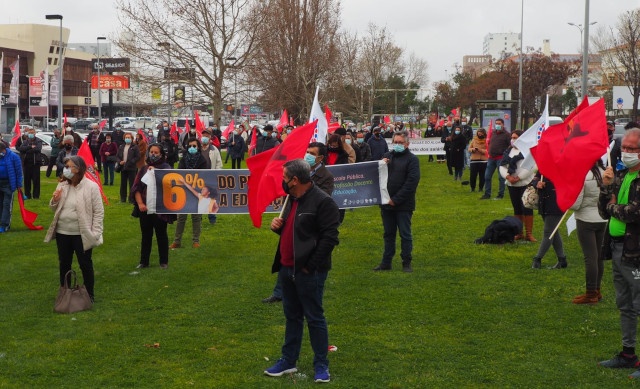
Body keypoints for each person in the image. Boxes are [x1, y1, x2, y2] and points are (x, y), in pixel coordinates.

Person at [263, 159, 340, 383]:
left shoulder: (323, 202)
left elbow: (329, 239)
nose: (283, 182)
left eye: (285, 178)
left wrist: (309, 266)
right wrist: (278, 227)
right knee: (292, 316)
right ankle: (288, 360)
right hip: (287, 269)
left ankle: (321, 365)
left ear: (295, 180)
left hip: (309, 272)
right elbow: (296, 234)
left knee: (314, 317)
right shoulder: (291, 199)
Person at [262, 142, 334, 304]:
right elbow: (291, 202)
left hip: (308, 231)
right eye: (307, 151)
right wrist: (280, 225)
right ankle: (279, 292)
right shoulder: (296, 175)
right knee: (285, 259)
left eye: (312, 153)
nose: (307, 154)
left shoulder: (326, 177)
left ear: (320, 157)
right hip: (291, 227)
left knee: (312, 308)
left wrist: (304, 186)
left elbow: (323, 200)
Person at [597, 128, 640, 377]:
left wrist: (613, 205)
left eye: (633, 148)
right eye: (624, 147)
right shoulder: (622, 175)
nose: (627, 152)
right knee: (625, 305)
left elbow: (634, 212)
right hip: (616, 247)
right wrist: (606, 187)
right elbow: (605, 211)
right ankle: (628, 354)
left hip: (635, 251)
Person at [44, 156, 104, 302]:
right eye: (66, 166)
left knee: (85, 263)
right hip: (63, 232)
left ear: (78, 169)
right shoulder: (63, 185)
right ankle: (65, 293)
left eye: (69, 166)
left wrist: (95, 232)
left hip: (81, 233)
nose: (66, 169)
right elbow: (53, 207)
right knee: (64, 263)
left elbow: (99, 212)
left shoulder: (91, 186)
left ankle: (89, 294)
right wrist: (55, 200)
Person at [373, 131, 421, 273]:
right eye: (396, 142)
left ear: (407, 144)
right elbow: (377, 177)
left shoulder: (412, 160)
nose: (398, 145)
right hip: (386, 203)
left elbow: (412, 182)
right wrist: (382, 165)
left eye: (401, 143)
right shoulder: (387, 157)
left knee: (405, 234)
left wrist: (396, 199)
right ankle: (386, 262)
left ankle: (406, 262)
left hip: (403, 205)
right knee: (388, 234)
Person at [131, 144, 176, 269]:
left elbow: (170, 185)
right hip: (145, 208)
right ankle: (144, 262)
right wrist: (140, 203)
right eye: (151, 152)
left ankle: (163, 261)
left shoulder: (166, 168)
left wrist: (155, 173)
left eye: (156, 152)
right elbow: (136, 188)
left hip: (160, 208)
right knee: (146, 235)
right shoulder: (143, 169)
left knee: (161, 235)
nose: (153, 154)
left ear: (161, 155)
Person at [569, 160, 607, 305]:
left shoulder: (583, 175)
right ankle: (596, 290)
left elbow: (576, 203)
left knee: (590, 257)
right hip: (602, 219)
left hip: (586, 220)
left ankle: (591, 293)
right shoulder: (605, 173)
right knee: (598, 256)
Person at [170, 138, 207, 249]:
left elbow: (205, 175)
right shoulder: (183, 160)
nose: (192, 148)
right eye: (190, 146)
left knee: (196, 217)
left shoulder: (202, 160)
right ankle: (177, 241)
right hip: (184, 192)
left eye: (194, 146)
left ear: (198, 147)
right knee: (181, 218)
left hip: (196, 193)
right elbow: (179, 174)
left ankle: (196, 241)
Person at [499, 130, 536, 241]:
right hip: (511, 184)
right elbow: (502, 166)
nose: (513, 139)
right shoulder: (508, 151)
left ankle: (529, 234)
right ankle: (519, 232)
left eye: (515, 137)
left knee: (527, 208)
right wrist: (508, 177)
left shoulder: (528, 152)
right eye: (512, 137)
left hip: (525, 183)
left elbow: (531, 167)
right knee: (517, 209)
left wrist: (519, 178)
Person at [530, 173, 566, 269]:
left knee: (549, 232)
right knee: (554, 231)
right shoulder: (544, 165)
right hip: (544, 203)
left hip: (557, 202)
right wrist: (537, 183)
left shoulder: (564, 165)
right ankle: (562, 260)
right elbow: (535, 178)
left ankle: (537, 259)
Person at [480, 118, 510, 200]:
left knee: (501, 178)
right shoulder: (492, 133)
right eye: (496, 123)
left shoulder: (507, 135)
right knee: (487, 176)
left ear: (503, 124)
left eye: (499, 123)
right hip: (491, 158)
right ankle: (487, 194)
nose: (497, 125)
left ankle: (500, 194)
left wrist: (505, 155)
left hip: (500, 158)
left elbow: (509, 146)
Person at [0, 143, 23, 232]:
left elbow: (18, 171)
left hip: (9, 184)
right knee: (0, 204)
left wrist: (19, 184)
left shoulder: (14, 157)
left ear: (3, 150)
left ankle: (4, 225)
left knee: (6, 205)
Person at [17, 128, 43, 200]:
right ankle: (27, 195)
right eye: (30, 133)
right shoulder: (25, 141)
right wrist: (30, 147)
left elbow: (38, 149)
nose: (31, 134)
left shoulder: (38, 141)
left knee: (36, 181)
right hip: (26, 163)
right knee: (27, 180)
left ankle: (36, 196)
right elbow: (21, 149)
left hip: (35, 164)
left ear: (35, 133)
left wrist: (27, 150)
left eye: (32, 132)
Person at [117, 132, 140, 203]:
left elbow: (138, 157)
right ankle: (123, 199)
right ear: (124, 139)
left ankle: (131, 199)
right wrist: (119, 161)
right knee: (123, 184)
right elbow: (117, 156)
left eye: (129, 138)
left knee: (132, 184)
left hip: (132, 168)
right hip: (123, 168)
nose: (127, 139)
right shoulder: (121, 146)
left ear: (132, 138)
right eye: (126, 138)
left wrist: (131, 162)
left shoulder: (135, 147)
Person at [468, 128, 488, 192]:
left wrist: (481, 150)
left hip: (483, 160)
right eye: (478, 133)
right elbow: (469, 148)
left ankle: (481, 188)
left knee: (482, 175)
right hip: (474, 160)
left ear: (484, 133)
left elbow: (488, 150)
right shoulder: (474, 140)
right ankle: (472, 188)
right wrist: (472, 150)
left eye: (481, 133)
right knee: (473, 175)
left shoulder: (487, 141)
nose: (480, 134)